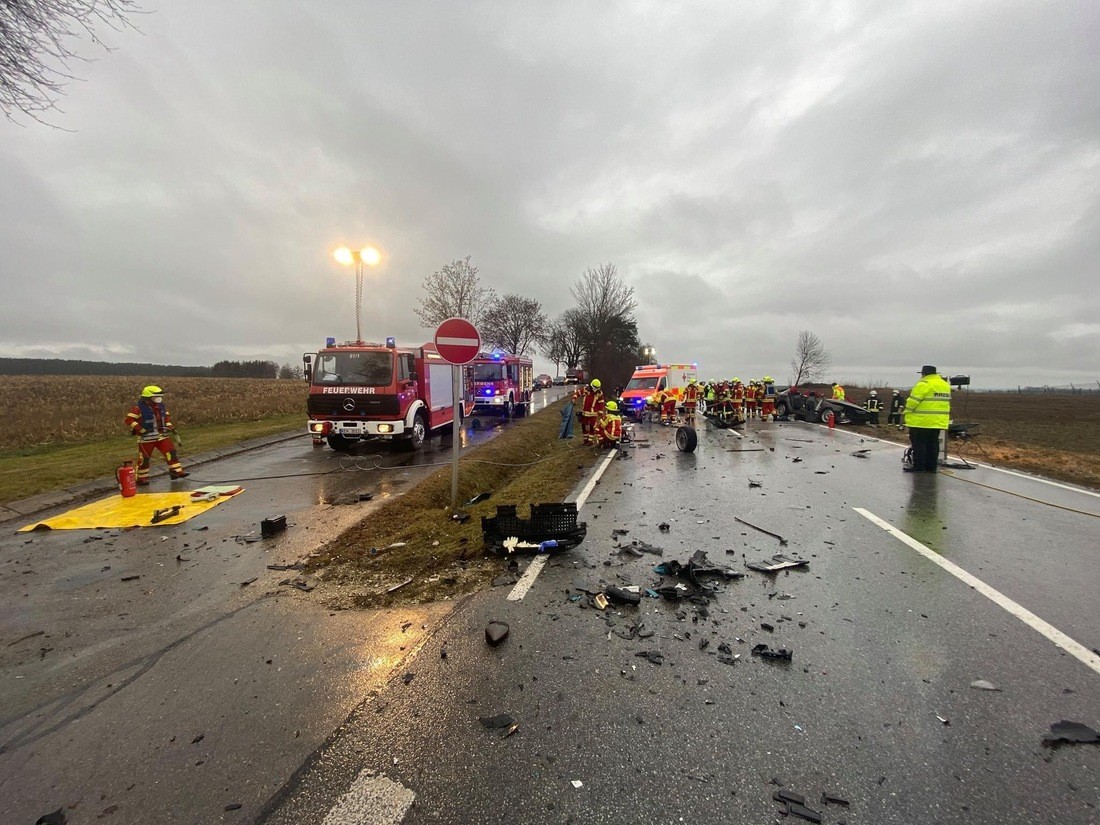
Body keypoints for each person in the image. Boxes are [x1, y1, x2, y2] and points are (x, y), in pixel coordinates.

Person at [125, 385, 188, 484]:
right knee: (145, 458)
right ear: (148, 397)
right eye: (156, 396)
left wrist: (170, 426)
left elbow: (166, 418)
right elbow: (129, 420)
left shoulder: (160, 406)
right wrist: (140, 429)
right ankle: (141, 478)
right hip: (146, 438)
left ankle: (176, 472)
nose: (159, 398)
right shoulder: (138, 408)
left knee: (171, 452)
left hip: (162, 436)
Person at [904, 366, 951, 472]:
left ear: (923, 374)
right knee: (933, 443)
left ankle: (919, 466)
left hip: (921, 421)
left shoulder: (924, 384)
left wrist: (906, 411)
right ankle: (931, 467)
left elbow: (913, 401)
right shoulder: (944, 384)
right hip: (938, 421)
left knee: (919, 444)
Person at [580, 378, 604, 445]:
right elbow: (578, 393)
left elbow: (601, 403)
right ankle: (585, 440)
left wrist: (600, 412)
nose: (595, 390)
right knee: (584, 426)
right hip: (585, 413)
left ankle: (590, 441)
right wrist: (574, 398)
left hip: (593, 414)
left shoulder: (599, 393)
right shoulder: (586, 390)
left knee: (592, 427)